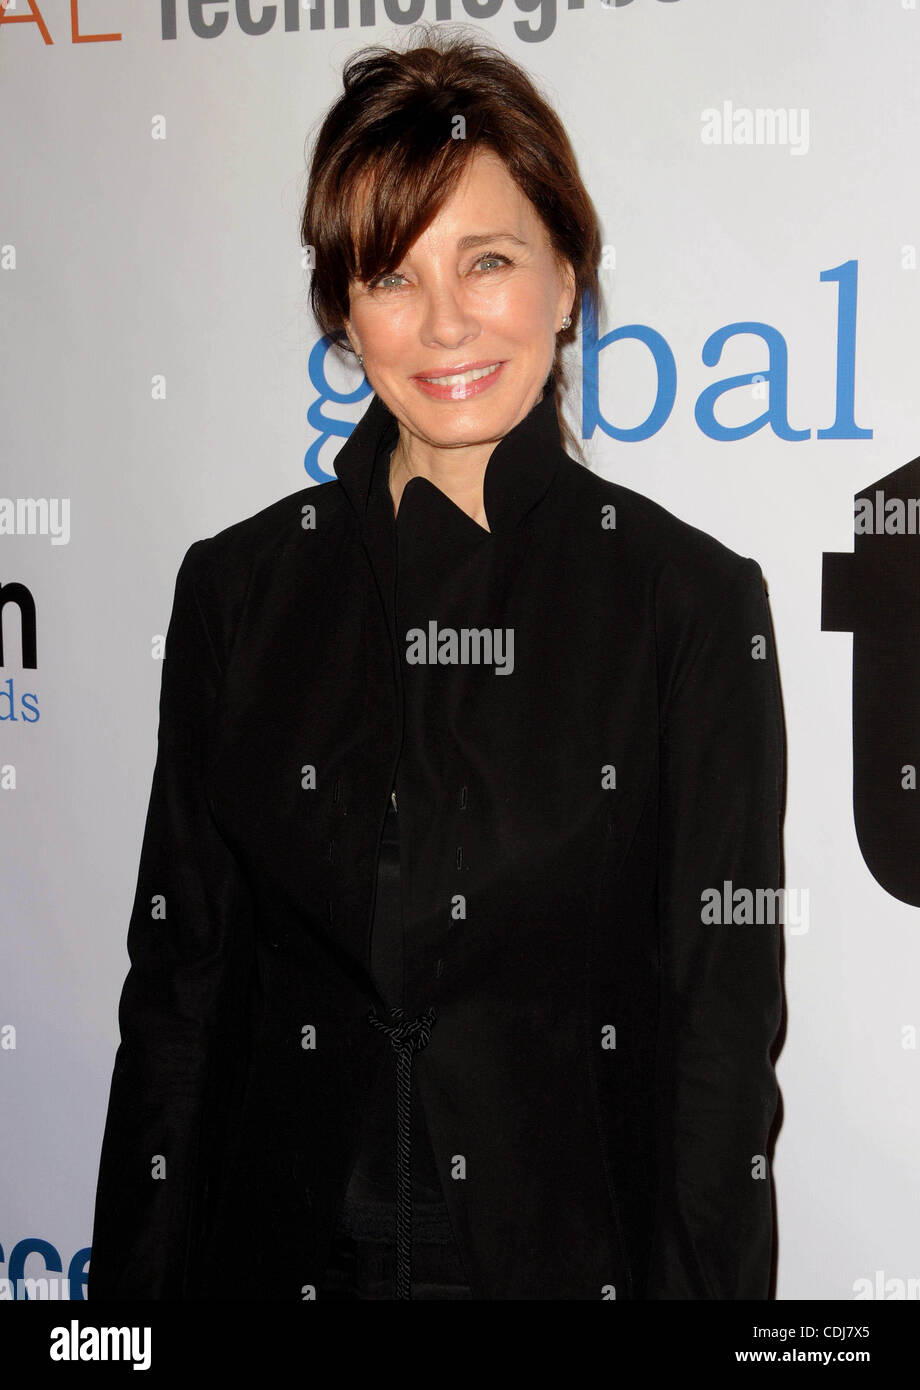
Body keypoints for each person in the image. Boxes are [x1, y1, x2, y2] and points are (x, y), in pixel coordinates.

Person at [89, 25, 786, 1301]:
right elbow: (179, 997)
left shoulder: (685, 605)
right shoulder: (238, 593)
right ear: (342, 311)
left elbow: (721, 1044)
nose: (445, 321)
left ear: (566, 277)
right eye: (391, 276)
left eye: (488, 260)